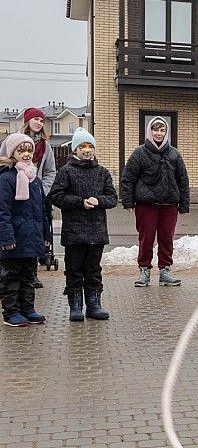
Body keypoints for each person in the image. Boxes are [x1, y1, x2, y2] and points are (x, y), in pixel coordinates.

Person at [47, 129, 116, 322]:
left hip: (97, 231)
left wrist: (99, 200)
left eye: (90, 146)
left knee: (93, 270)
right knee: (74, 269)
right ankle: (75, 305)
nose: (87, 150)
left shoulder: (102, 172)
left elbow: (112, 198)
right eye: (82, 147)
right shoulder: (66, 171)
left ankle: (94, 305)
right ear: (75, 150)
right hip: (74, 231)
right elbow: (56, 196)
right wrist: (79, 202)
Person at [120, 116, 189, 288]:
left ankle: (165, 270)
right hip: (146, 205)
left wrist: (184, 203)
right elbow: (128, 178)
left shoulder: (174, 154)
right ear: (149, 131)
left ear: (166, 132)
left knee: (167, 238)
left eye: (162, 130)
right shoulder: (139, 153)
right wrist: (128, 202)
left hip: (169, 205)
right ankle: (144, 270)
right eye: (155, 129)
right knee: (146, 238)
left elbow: (183, 179)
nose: (158, 133)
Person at [0, 133, 47, 328]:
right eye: (22, 150)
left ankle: (28, 308)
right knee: (11, 277)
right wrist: (6, 236)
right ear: (13, 153)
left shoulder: (34, 179)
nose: (27, 154)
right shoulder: (7, 179)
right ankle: (11, 311)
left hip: (32, 237)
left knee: (29, 276)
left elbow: (42, 211)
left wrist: (45, 235)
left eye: (29, 150)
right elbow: (3, 211)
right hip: (15, 238)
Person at [22, 107, 56, 287]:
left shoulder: (45, 145)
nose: (39, 123)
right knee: (21, 232)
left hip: (37, 195)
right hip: (17, 195)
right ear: (27, 120)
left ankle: (32, 272)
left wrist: (42, 189)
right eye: (35, 119)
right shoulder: (16, 141)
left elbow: (51, 171)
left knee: (36, 232)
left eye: (42, 120)